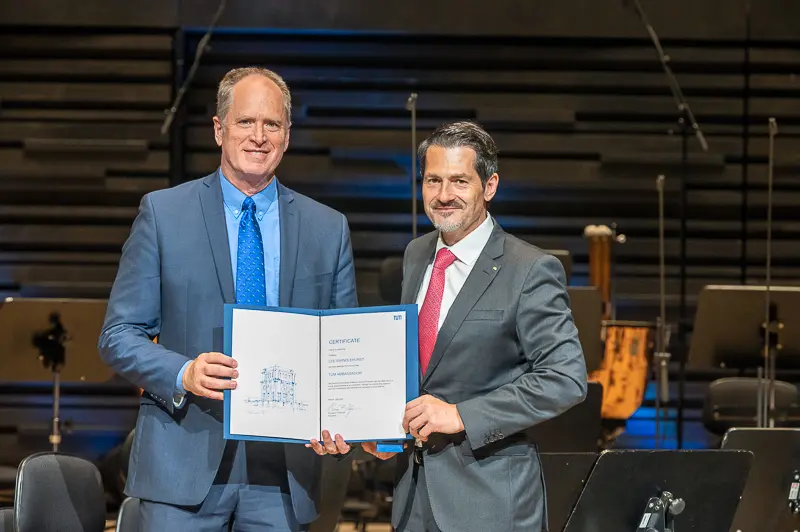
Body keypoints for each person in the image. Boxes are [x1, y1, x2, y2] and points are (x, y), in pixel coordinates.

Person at [99, 67, 356, 531]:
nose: (259, 136)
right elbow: (118, 335)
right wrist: (184, 371)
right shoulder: (163, 214)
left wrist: (343, 416)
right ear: (219, 130)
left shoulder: (328, 228)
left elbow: (342, 346)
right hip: (182, 464)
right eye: (245, 122)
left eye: (272, 125)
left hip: (282, 473)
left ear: (287, 135)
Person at [364, 120, 587, 531]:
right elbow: (416, 368)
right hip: (413, 495)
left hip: (490, 502)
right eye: (433, 180)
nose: (444, 195)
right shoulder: (416, 255)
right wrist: (379, 427)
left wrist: (462, 415)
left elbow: (565, 378)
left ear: (490, 186)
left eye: (459, 181)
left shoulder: (530, 269)